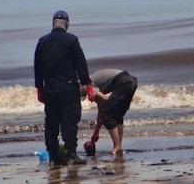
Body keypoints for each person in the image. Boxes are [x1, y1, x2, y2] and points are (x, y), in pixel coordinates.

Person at [34, 10, 92, 165]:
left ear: (53, 23)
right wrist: (88, 85)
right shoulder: (71, 40)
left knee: (51, 122)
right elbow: (81, 65)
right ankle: (71, 154)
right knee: (69, 120)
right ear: (66, 24)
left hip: (50, 88)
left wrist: (39, 89)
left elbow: (37, 68)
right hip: (68, 87)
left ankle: (53, 157)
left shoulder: (42, 41)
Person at [85, 69, 138, 157]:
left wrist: (108, 112)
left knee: (109, 117)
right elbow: (101, 108)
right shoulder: (92, 85)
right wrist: (96, 132)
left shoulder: (86, 86)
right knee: (117, 116)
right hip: (131, 81)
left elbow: (106, 102)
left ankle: (117, 147)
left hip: (122, 81)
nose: (86, 97)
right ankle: (118, 147)